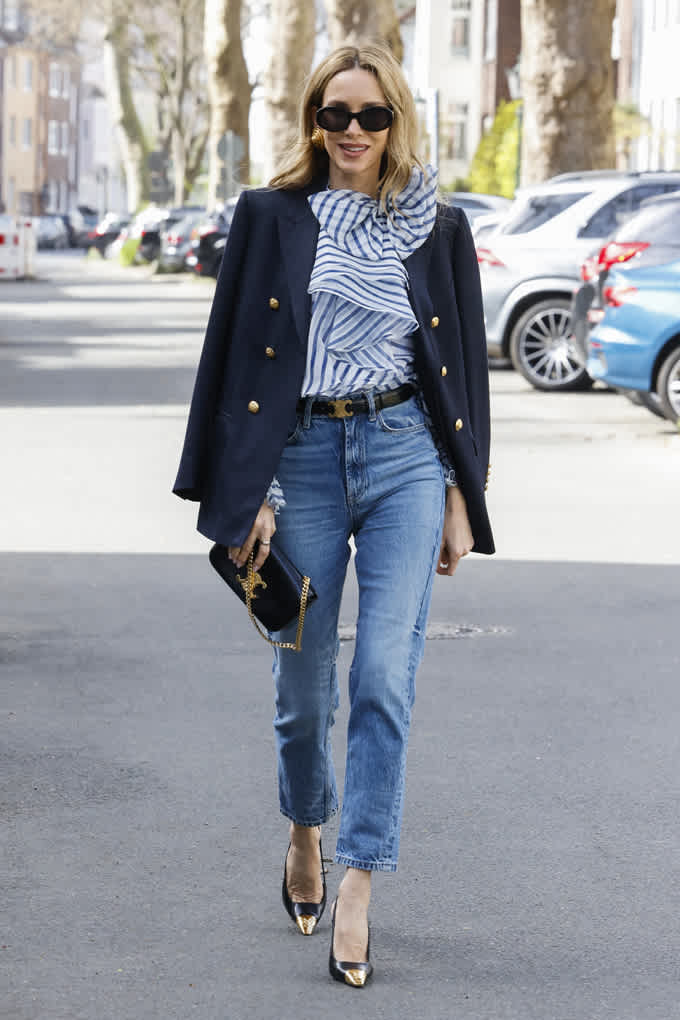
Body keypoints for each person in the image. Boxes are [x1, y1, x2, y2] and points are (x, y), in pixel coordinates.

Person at [173, 40, 494, 988]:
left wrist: (460, 494)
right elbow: (235, 359)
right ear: (314, 120)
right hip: (300, 460)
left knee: (384, 677)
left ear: (397, 118)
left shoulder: (438, 227)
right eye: (335, 114)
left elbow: (462, 372)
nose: (351, 132)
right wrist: (247, 494)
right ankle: (305, 830)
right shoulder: (271, 216)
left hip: (402, 457)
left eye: (371, 115)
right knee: (304, 689)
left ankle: (358, 881)